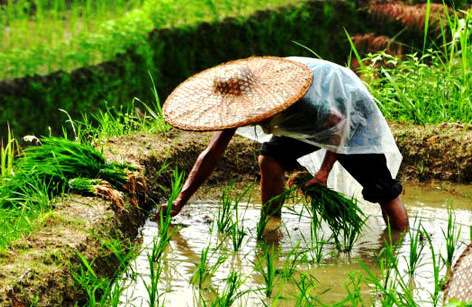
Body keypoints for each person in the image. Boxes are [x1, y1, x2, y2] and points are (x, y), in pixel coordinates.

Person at [159, 55, 409, 232]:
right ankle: (271, 224)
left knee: (381, 187)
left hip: (351, 113)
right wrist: (180, 199)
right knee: (270, 158)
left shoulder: (304, 101)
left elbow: (340, 125)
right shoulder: (241, 103)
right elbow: (212, 152)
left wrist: (323, 172)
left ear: (259, 97)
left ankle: (399, 240)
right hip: (315, 118)